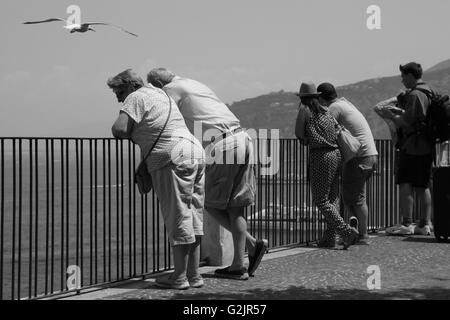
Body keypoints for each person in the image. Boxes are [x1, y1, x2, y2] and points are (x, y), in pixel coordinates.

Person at [147, 68, 268, 280]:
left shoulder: (170, 90)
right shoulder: (193, 83)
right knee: (236, 207)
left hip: (222, 144)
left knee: (210, 203)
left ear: (158, 84)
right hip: (243, 137)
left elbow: (165, 118)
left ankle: (245, 254)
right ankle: (242, 258)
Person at [108, 69, 206, 289]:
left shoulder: (136, 96)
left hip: (172, 157)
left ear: (132, 85)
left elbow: (119, 129)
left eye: (119, 90)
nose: (118, 97)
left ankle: (179, 278)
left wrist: (136, 133)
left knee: (178, 215)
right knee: (194, 216)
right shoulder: (161, 94)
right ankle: (194, 275)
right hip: (195, 151)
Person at [295, 82, 359, 249]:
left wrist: (308, 137)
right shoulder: (327, 111)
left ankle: (346, 231)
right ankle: (329, 238)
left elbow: (299, 133)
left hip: (320, 156)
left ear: (302, 98)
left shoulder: (305, 110)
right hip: (336, 155)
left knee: (321, 200)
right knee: (332, 198)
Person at [317, 83, 378, 244]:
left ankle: (362, 235)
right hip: (369, 155)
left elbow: (325, 131)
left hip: (358, 157)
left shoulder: (334, 108)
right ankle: (355, 232)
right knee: (354, 196)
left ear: (321, 97)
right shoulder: (345, 104)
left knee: (356, 199)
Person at [382, 62, 434, 235]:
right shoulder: (428, 92)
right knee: (422, 185)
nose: (402, 80)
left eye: (404, 76)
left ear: (411, 76)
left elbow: (407, 122)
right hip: (426, 146)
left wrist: (392, 116)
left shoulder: (415, 95)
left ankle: (407, 224)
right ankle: (424, 224)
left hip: (413, 146)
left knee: (405, 183)